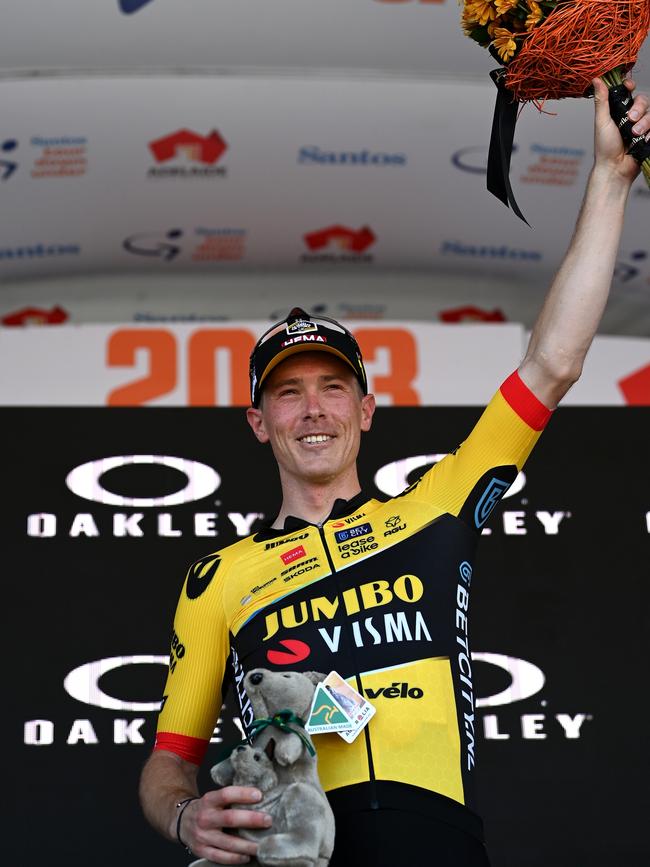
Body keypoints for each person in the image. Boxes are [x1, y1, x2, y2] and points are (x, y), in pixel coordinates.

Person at [139, 78, 650, 866]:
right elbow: (167, 761)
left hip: (436, 843)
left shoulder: (434, 505)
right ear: (258, 422)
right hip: (294, 851)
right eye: (287, 394)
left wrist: (612, 177)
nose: (312, 410)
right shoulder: (219, 577)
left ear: (367, 410)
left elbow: (553, 363)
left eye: (332, 387)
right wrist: (183, 817)